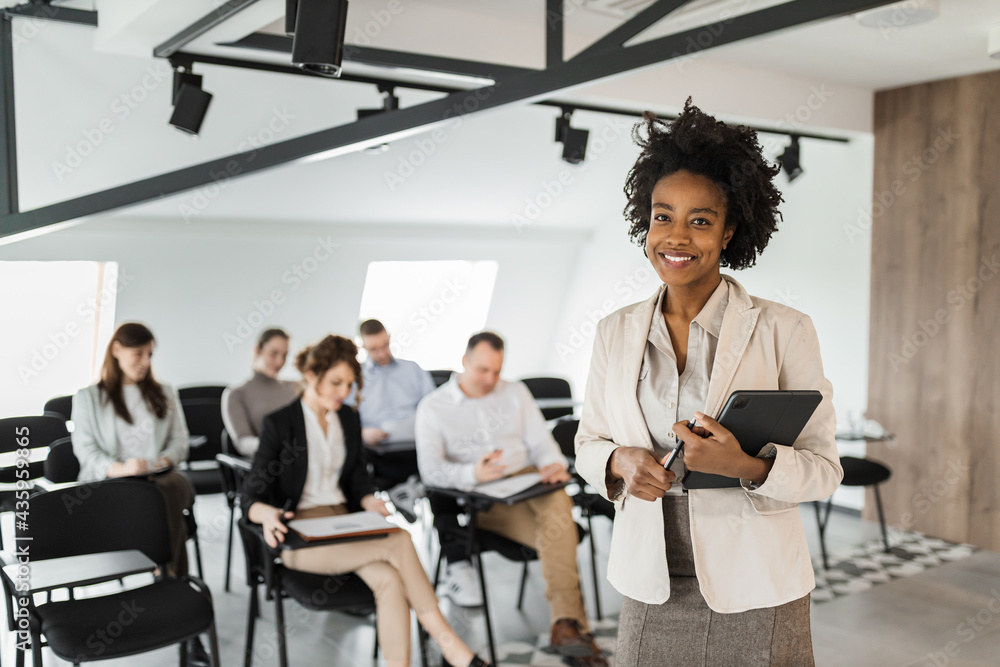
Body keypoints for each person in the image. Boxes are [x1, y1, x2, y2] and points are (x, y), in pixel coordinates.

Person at [574, 98, 844, 666]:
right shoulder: (613, 332)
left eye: (700, 220)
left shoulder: (784, 330)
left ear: (728, 232)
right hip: (652, 581)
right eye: (662, 215)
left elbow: (824, 471)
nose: (675, 236)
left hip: (757, 583)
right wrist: (620, 461)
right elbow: (588, 443)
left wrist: (745, 466)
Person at [241, 334, 488, 667]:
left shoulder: (347, 418)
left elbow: (358, 479)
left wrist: (369, 499)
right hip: (300, 536)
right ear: (312, 375)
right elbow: (249, 497)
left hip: (343, 522)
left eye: (350, 384)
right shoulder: (279, 424)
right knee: (398, 540)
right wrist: (267, 514)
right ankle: (452, 648)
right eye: (336, 382)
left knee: (388, 580)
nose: (344, 392)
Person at [416, 332, 607, 665]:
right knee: (560, 530)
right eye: (482, 370)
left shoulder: (515, 391)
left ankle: (567, 625)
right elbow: (431, 472)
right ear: (464, 362)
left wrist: (553, 464)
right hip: (485, 499)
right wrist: (472, 474)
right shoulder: (433, 408)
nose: (491, 379)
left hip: (532, 482)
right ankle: (570, 627)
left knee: (558, 502)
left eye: (497, 371)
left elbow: (542, 442)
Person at [71, 322, 209, 666]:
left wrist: (163, 460)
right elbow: (85, 451)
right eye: (138, 354)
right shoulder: (89, 397)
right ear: (116, 349)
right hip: (113, 482)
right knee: (164, 498)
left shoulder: (165, 393)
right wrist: (120, 468)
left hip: (158, 479)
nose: (145, 361)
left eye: (149, 354)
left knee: (172, 486)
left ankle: (170, 582)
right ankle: (171, 581)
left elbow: (180, 442)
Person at [348, 318, 436, 521]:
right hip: (379, 451)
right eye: (374, 349)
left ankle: (453, 544)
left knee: (441, 465)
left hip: (418, 446)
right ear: (363, 346)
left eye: (385, 346)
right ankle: (409, 488)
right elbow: (343, 421)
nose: (382, 353)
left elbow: (433, 409)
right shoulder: (354, 379)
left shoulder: (412, 369)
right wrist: (362, 434)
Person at [222, 327, 299, 457]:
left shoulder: (295, 387)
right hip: (270, 463)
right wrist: (273, 446)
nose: (280, 362)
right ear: (257, 350)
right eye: (273, 353)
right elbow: (242, 441)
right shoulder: (236, 394)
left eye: (284, 355)